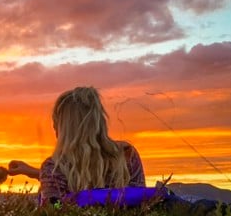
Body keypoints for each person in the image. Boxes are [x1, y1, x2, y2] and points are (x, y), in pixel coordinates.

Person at [8, 86, 146, 206]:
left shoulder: (52, 168)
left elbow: (54, 209)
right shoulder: (126, 154)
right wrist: (33, 172)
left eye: (56, 123)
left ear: (64, 128)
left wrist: (49, 200)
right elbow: (140, 200)